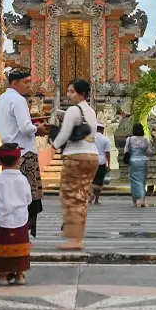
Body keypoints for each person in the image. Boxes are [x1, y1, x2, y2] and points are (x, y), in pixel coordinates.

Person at [0, 68, 47, 238]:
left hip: (8, 151)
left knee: (11, 193)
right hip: (25, 153)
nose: (29, 86)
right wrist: (38, 128)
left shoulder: (0, 100)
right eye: (26, 82)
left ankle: (10, 228)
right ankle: (25, 229)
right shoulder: (18, 100)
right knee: (28, 194)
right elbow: (25, 127)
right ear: (15, 83)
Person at [52, 79, 99, 251]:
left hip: (76, 155)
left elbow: (64, 134)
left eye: (72, 92)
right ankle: (74, 234)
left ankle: (75, 239)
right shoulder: (91, 111)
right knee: (81, 196)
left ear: (81, 94)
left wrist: (53, 145)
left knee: (70, 196)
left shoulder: (73, 110)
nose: (69, 95)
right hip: (92, 155)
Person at [0, 142, 32, 285]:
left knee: (3, 248)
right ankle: (20, 275)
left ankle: (2, 276)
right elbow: (28, 199)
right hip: (21, 219)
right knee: (20, 247)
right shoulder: (23, 180)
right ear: (19, 160)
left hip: (3, 220)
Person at [123, 123, 153, 207]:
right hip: (143, 162)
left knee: (134, 180)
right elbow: (149, 152)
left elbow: (126, 150)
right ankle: (143, 200)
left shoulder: (129, 139)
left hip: (133, 161)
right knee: (142, 181)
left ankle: (134, 202)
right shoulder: (146, 139)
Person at [90, 122, 111, 205]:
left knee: (90, 180)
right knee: (99, 181)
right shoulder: (105, 139)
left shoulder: (91, 138)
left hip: (91, 161)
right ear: (102, 129)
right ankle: (96, 200)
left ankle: (90, 193)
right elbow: (107, 153)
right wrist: (108, 164)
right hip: (101, 162)